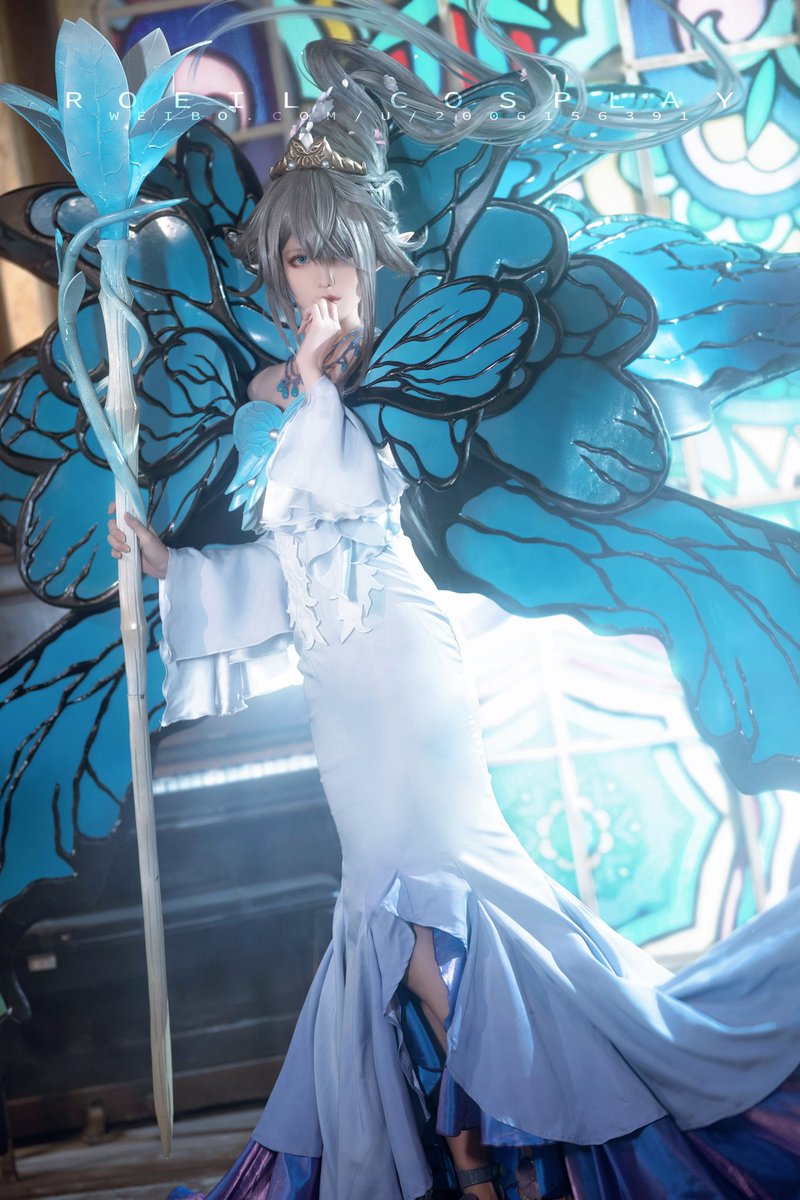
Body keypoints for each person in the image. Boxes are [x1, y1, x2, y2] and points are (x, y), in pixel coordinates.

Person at [106, 6, 800, 1199]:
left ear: (369, 259)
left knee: (420, 904)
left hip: (399, 669)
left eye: (334, 257)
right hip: (340, 689)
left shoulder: (378, 375)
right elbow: (286, 564)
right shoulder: (291, 389)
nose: (317, 279)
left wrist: (307, 384)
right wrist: (176, 569)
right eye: (296, 261)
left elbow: (343, 503)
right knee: (391, 906)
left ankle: (485, 1152)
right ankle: (475, 1139)